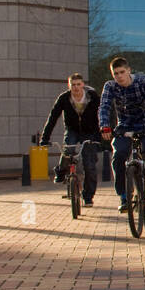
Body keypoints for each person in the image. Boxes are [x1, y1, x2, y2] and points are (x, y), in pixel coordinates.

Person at [99, 57, 145, 211]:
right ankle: (124, 196)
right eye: (115, 74)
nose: (119, 76)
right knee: (118, 156)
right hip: (125, 127)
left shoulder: (142, 82)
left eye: (122, 72)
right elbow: (104, 107)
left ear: (129, 70)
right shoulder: (110, 87)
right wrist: (104, 126)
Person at [40, 74, 102, 206]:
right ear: (69, 86)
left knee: (89, 165)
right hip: (72, 130)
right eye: (73, 85)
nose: (76, 87)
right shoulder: (64, 98)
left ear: (83, 85)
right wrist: (45, 138)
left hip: (89, 132)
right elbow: (53, 118)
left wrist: (99, 136)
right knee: (68, 149)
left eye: (78, 84)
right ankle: (61, 171)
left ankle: (88, 196)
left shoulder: (93, 97)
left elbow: (101, 116)